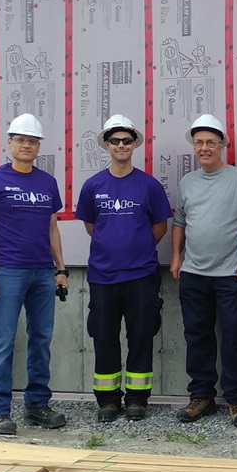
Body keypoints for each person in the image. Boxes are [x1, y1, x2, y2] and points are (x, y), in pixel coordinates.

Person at [0, 113, 68, 435]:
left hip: (42, 272)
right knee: (2, 340)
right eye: (21, 140)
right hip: (9, 271)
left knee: (41, 340)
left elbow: (53, 229)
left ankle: (37, 405)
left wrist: (61, 270)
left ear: (38, 147)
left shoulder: (46, 182)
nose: (27, 145)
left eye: (33, 141)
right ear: (10, 143)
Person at [75, 114, 172, 423]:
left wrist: (135, 248)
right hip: (103, 276)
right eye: (115, 141)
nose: (120, 145)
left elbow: (159, 228)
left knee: (141, 335)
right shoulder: (93, 185)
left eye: (126, 141)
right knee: (103, 336)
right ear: (107, 144)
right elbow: (93, 227)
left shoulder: (149, 185)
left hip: (141, 275)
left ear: (134, 145)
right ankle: (107, 400)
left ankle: (136, 399)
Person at [170, 114, 237, 426]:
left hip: (231, 275)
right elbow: (180, 222)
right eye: (199, 143)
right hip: (194, 274)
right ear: (194, 147)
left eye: (211, 142)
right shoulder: (187, 182)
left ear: (222, 145)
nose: (205, 148)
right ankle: (201, 396)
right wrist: (176, 256)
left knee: (233, 337)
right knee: (197, 336)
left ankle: (236, 400)